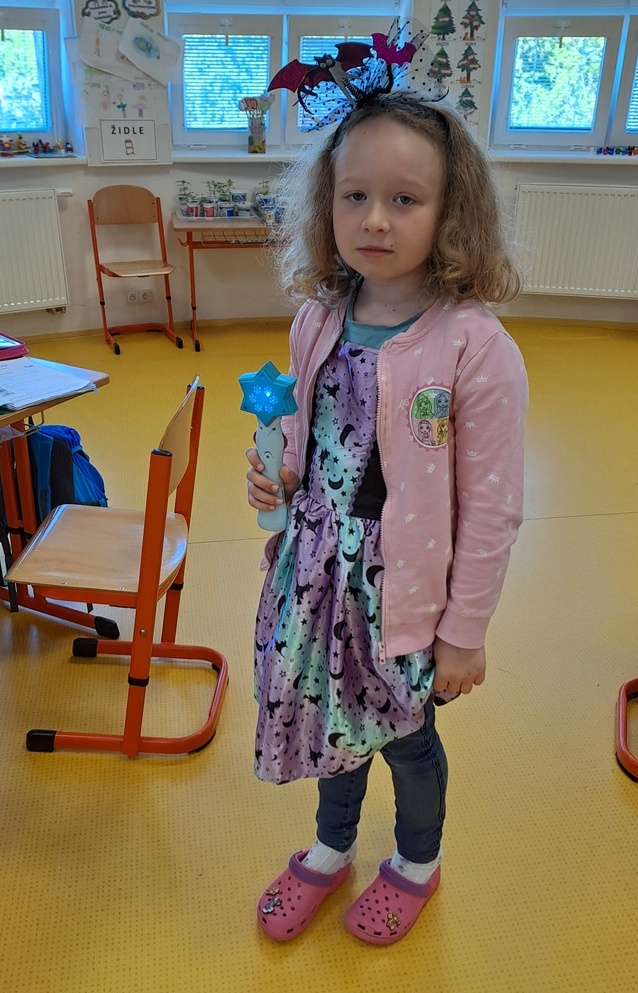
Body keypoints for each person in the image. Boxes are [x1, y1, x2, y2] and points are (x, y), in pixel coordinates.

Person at [245, 89, 528, 946]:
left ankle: (414, 860)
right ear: (326, 203)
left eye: (405, 198)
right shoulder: (317, 319)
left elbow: (493, 509)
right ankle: (332, 846)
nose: (374, 219)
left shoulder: (475, 347)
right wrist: (277, 475)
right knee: (332, 716)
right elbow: (306, 436)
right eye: (355, 195)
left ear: (450, 212)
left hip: (402, 593)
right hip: (319, 576)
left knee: (405, 737)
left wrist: (464, 631)